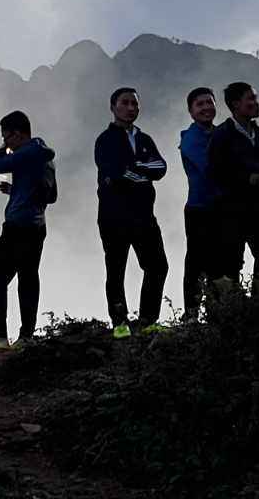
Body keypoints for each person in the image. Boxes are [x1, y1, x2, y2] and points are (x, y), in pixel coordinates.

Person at [94, 87, 169, 337]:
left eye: (135, 104)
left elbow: (161, 167)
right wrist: (141, 174)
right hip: (113, 216)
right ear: (113, 107)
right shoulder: (105, 140)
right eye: (125, 103)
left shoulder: (145, 139)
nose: (130, 108)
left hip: (144, 215)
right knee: (116, 269)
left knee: (158, 265)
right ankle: (120, 322)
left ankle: (148, 320)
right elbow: (114, 172)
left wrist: (134, 169)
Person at [0, 110, 56, 349]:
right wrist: (17, 190)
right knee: (28, 279)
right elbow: (50, 195)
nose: (5, 141)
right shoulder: (44, 157)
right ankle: (26, 336)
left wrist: (3, 148)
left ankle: (0, 336)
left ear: (17, 134)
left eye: (6, 136)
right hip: (37, 224)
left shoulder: (26, 153)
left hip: (17, 226)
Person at [207, 81, 259, 278]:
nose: (256, 103)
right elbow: (216, 172)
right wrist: (247, 178)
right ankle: (232, 307)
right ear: (236, 104)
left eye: (256, 98)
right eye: (251, 98)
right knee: (230, 264)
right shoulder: (221, 135)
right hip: (230, 211)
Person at [177, 87, 222, 320]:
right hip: (200, 208)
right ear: (191, 111)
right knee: (196, 262)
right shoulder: (191, 138)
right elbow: (210, 168)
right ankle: (191, 313)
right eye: (199, 104)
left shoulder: (221, 132)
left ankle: (218, 312)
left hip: (222, 208)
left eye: (209, 102)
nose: (206, 108)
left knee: (220, 261)